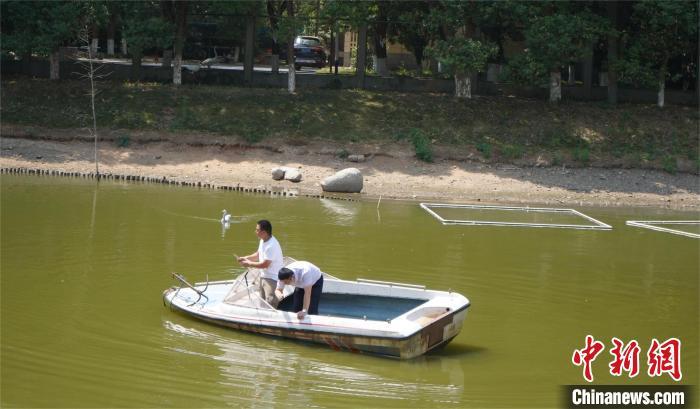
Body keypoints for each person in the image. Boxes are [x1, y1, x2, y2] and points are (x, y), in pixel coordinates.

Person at [237, 220, 283, 307]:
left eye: (257, 230)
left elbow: (265, 264)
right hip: (264, 276)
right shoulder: (263, 240)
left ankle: (270, 319)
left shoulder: (271, 246)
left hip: (272, 279)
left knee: (270, 304)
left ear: (264, 232)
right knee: (262, 302)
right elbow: (258, 254)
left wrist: (249, 263)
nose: (255, 232)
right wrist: (245, 258)